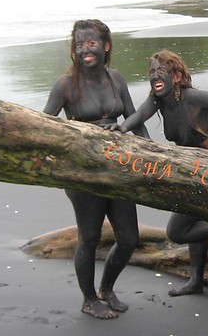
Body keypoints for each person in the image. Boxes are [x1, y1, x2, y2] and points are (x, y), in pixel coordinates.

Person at [109, 50, 208, 296]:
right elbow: (139, 116)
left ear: (176, 76)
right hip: (189, 174)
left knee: (177, 232)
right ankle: (196, 281)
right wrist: (121, 128)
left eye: (161, 71)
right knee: (190, 223)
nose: (155, 76)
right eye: (152, 72)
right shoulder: (158, 101)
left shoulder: (194, 98)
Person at [43, 19, 149, 319]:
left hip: (119, 168)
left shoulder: (116, 79)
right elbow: (43, 125)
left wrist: (156, 156)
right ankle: (89, 300)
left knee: (129, 239)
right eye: (79, 45)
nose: (84, 50)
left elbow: (135, 119)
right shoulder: (65, 85)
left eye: (90, 43)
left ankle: (107, 289)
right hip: (84, 171)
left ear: (106, 45)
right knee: (89, 238)